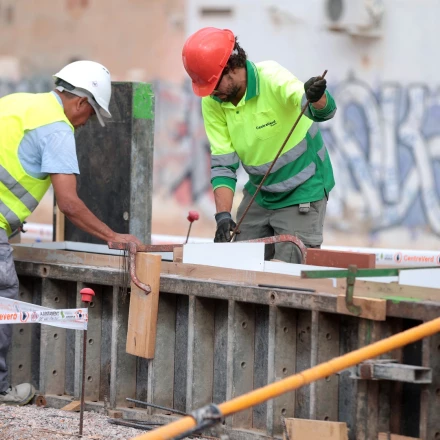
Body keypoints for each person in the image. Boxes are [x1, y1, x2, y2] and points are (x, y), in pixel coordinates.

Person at [0, 60, 142, 405]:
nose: (86, 123)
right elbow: (69, 203)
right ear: (80, 103)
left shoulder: (17, 103)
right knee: (2, 293)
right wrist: (111, 234)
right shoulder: (58, 128)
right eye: (90, 115)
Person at [182, 27, 336, 263]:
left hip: (303, 188)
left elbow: (322, 110)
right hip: (261, 193)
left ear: (231, 66)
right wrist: (223, 216)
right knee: (240, 264)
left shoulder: (271, 77)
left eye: (213, 84)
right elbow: (223, 165)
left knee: (289, 272)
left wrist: (317, 96)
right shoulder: (213, 101)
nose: (211, 93)